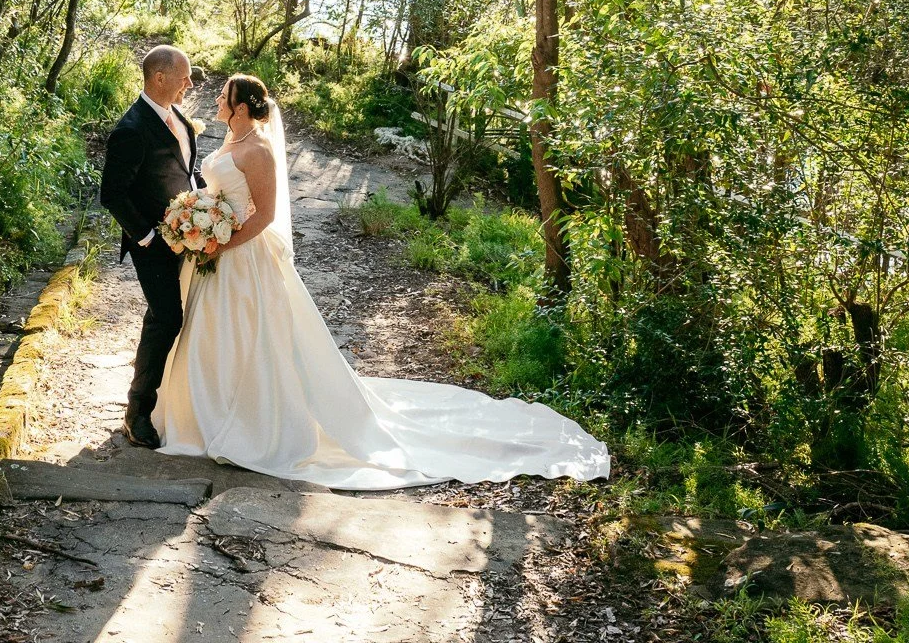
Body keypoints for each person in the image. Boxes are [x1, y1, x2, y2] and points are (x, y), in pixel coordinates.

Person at [153, 73, 610, 489]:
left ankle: (251, 425)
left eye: (224, 95)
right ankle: (202, 416)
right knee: (211, 336)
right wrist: (199, 221)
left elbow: (267, 215)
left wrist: (220, 242)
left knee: (253, 340)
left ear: (242, 106)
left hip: (244, 259)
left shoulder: (258, 149)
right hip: (215, 257)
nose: (216, 98)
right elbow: (219, 195)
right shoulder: (229, 141)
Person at [98, 44, 203, 449]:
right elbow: (113, 193)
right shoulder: (131, 128)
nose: (189, 84)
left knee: (169, 317)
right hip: (152, 243)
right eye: (185, 76)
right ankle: (137, 412)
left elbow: (186, 175)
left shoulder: (180, 119)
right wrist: (147, 237)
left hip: (189, 237)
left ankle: (167, 401)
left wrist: (206, 212)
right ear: (160, 78)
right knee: (167, 317)